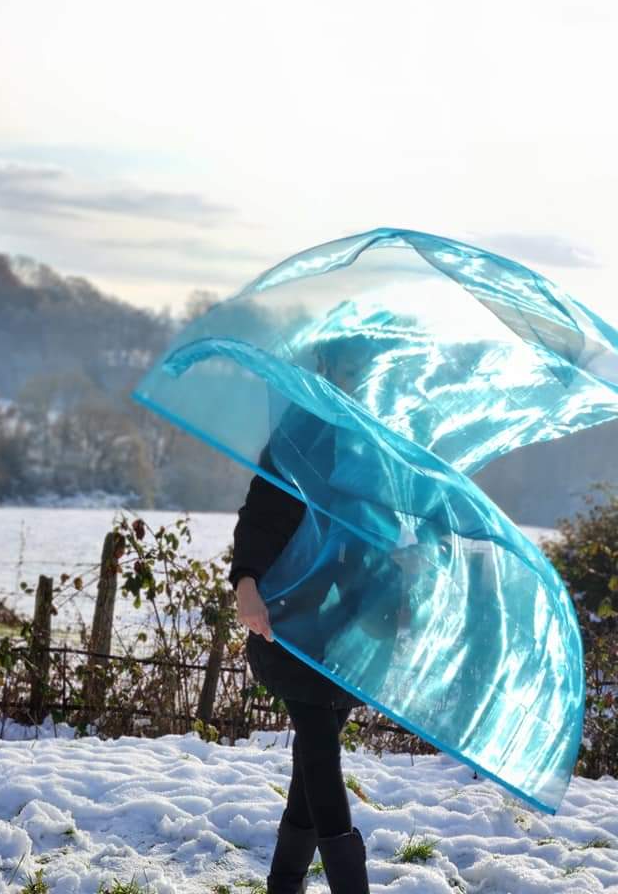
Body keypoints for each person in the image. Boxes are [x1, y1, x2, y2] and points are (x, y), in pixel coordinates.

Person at [229, 339, 374, 894]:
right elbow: (261, 515)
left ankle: (284, 885)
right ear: (326, 365)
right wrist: (246, 582)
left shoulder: (369, 444)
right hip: (284, 613)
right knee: (319, 742)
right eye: (348, 367)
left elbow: (370, 537)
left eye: (363, 370)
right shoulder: (297, 434)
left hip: (342, 624)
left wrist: (391, 586)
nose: (354, 379)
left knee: (313, 760)